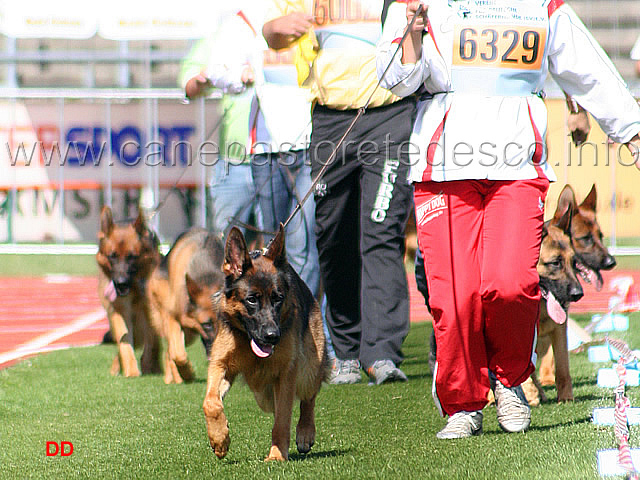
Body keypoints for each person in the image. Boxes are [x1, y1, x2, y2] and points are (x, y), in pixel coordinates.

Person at [378, 0, 640, 438]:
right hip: (444, 167)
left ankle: (511, 380)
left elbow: (585, 66)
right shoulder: (416, 2)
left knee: (511, 283)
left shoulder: (542, 5)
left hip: (518, 165)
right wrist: (413, 32)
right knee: (456, 296)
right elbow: (395, 82)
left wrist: (630, 127)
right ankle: (464, 403)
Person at [263, 0, 415, 385]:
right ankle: (345, 350)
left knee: (381, 232)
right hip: (330, 119)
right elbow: (272, 34)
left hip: (389, 114)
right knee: (333, 236)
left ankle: (380, 353)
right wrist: (284, 26)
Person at [178, 5, 321, 299]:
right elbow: (216, 71)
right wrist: (240, 74)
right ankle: (266, 324)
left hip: (311, 144)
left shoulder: (313, 9)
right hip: (263, 151)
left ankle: (309, 331)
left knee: (304, 247)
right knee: (268, 249)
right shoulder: (246, 18)